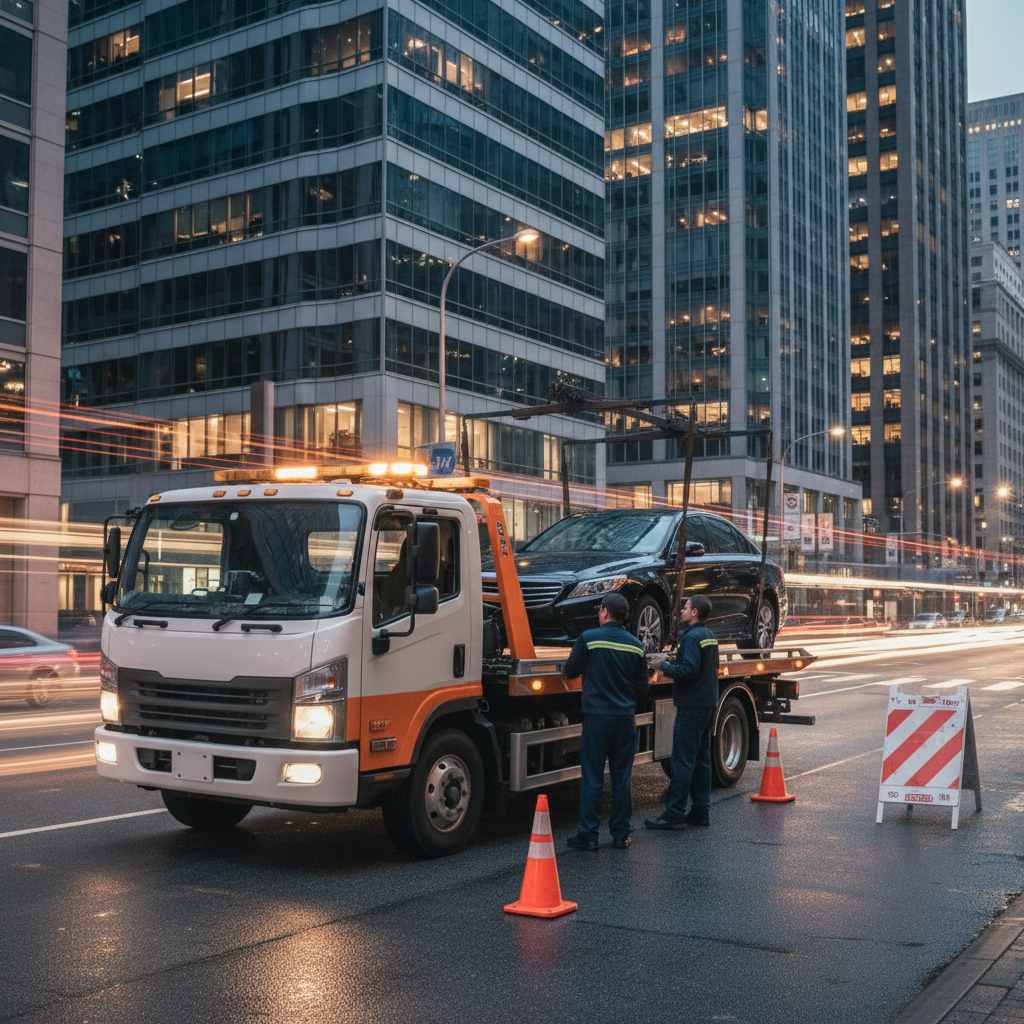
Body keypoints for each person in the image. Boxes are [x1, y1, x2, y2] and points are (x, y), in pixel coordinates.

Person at [562, 593, 650, 850]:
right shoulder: (637, 645)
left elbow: (570, 671)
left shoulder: (589, 639)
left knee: (592, 776)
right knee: (622, 776)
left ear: (603, 611)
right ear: (624, 616)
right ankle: (621, 835)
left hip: (597, 717)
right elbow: (642, 689)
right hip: (625, 718)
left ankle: (588, 835)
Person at [645, 594, 718, 830]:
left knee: (682, 760)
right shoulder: (709, 636)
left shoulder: (691, 636)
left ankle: (673, 814)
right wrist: (674, 658)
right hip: (707, 703)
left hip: (692, 706)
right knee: (702, 760)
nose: (682, 612)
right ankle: (701, 812)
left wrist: (663, 665)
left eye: (685, 608)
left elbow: (688, 669)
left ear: (695, 612)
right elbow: (705, 666)